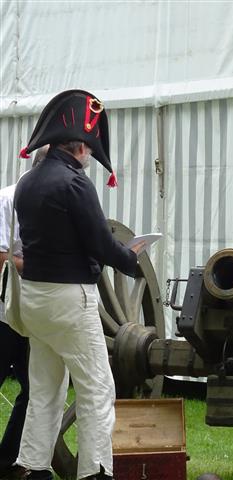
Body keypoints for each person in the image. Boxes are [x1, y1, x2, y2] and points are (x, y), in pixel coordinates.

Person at [4, 90, 144, 480]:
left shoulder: (27, 183)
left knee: (45, 389)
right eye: (89, 149)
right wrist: (131, 259)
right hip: (69, 299)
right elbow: (100, 242)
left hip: (34, 298)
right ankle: (95, 473)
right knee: (97, 389)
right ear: (81, 147)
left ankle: (33, 469)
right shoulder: (75, 184)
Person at [0, 147, 47, 476]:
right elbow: (1, 258)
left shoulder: (52, 203)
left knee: (34, 392)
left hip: (37, 312)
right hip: (3, 312)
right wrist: (43, 265)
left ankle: (7, 460)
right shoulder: (6, 199)